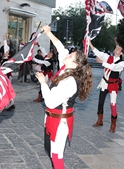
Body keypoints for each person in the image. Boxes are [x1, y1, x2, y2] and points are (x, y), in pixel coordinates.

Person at [35, 25, 92, 169]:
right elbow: (61, 48)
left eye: (70, 56)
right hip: (53, 118)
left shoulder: (70, 81)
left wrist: (43, 83)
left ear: (75, 63)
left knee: (57, 157)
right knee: (53, 154)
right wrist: (49, 33)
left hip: (60, 123)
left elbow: (51, 101)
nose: (67, 55)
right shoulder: (65, 68)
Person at [89, 38, 124, 133]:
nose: (116, 48)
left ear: (121, 53)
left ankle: (113, 124)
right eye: (116, 48)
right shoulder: (108, 57)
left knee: (113, 104)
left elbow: (113, 67)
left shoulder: (122, 63)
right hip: (104, 83)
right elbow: (98, 53)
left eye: (119, 49)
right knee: (100, 102)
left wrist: (102, 63)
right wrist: (90, 44)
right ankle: (100, 120)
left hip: (113, 85)